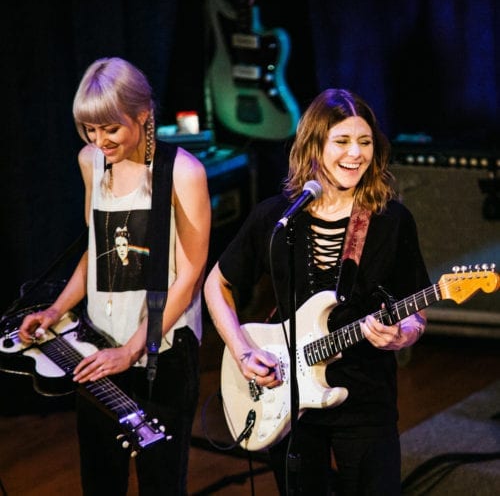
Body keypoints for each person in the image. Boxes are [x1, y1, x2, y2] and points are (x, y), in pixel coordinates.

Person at [203, 88, 429, 495]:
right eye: (341, 142)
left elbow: (416, 310)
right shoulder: (278, 218)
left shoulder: (390, 221)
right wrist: (242, 351)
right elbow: (216, 284)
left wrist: (403, 334)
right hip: (287, 400)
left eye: (364, 142)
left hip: (365, 397)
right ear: (313, 146)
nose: (355, 154)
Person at [19, 57, 211, 495]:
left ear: (143, 116)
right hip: (97, 344)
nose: (99, 140)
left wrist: (131, 349)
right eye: (90, 129)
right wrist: (55, 310)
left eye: (110, 128)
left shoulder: (182, 172)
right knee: (101, 480)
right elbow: (95, 249)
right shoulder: (91, 161)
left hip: (161, 351)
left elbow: (191, 273)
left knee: (161, 483)